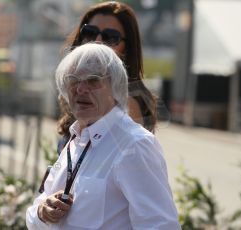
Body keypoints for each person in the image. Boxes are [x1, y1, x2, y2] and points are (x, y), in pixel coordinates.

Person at [26, 43, 180, 229]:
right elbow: (35, 212)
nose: (81, 89)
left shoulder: (134, 144)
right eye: (73, 80)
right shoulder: (76, 139)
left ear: (115, 89)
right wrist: (43, 211)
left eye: (93, 80)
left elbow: (161, 225)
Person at [56, 1, 157, 154]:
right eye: (89, 32)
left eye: (110, 37)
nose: (97, 41)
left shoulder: (126, 102)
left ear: (127, 49)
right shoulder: (77, 88)